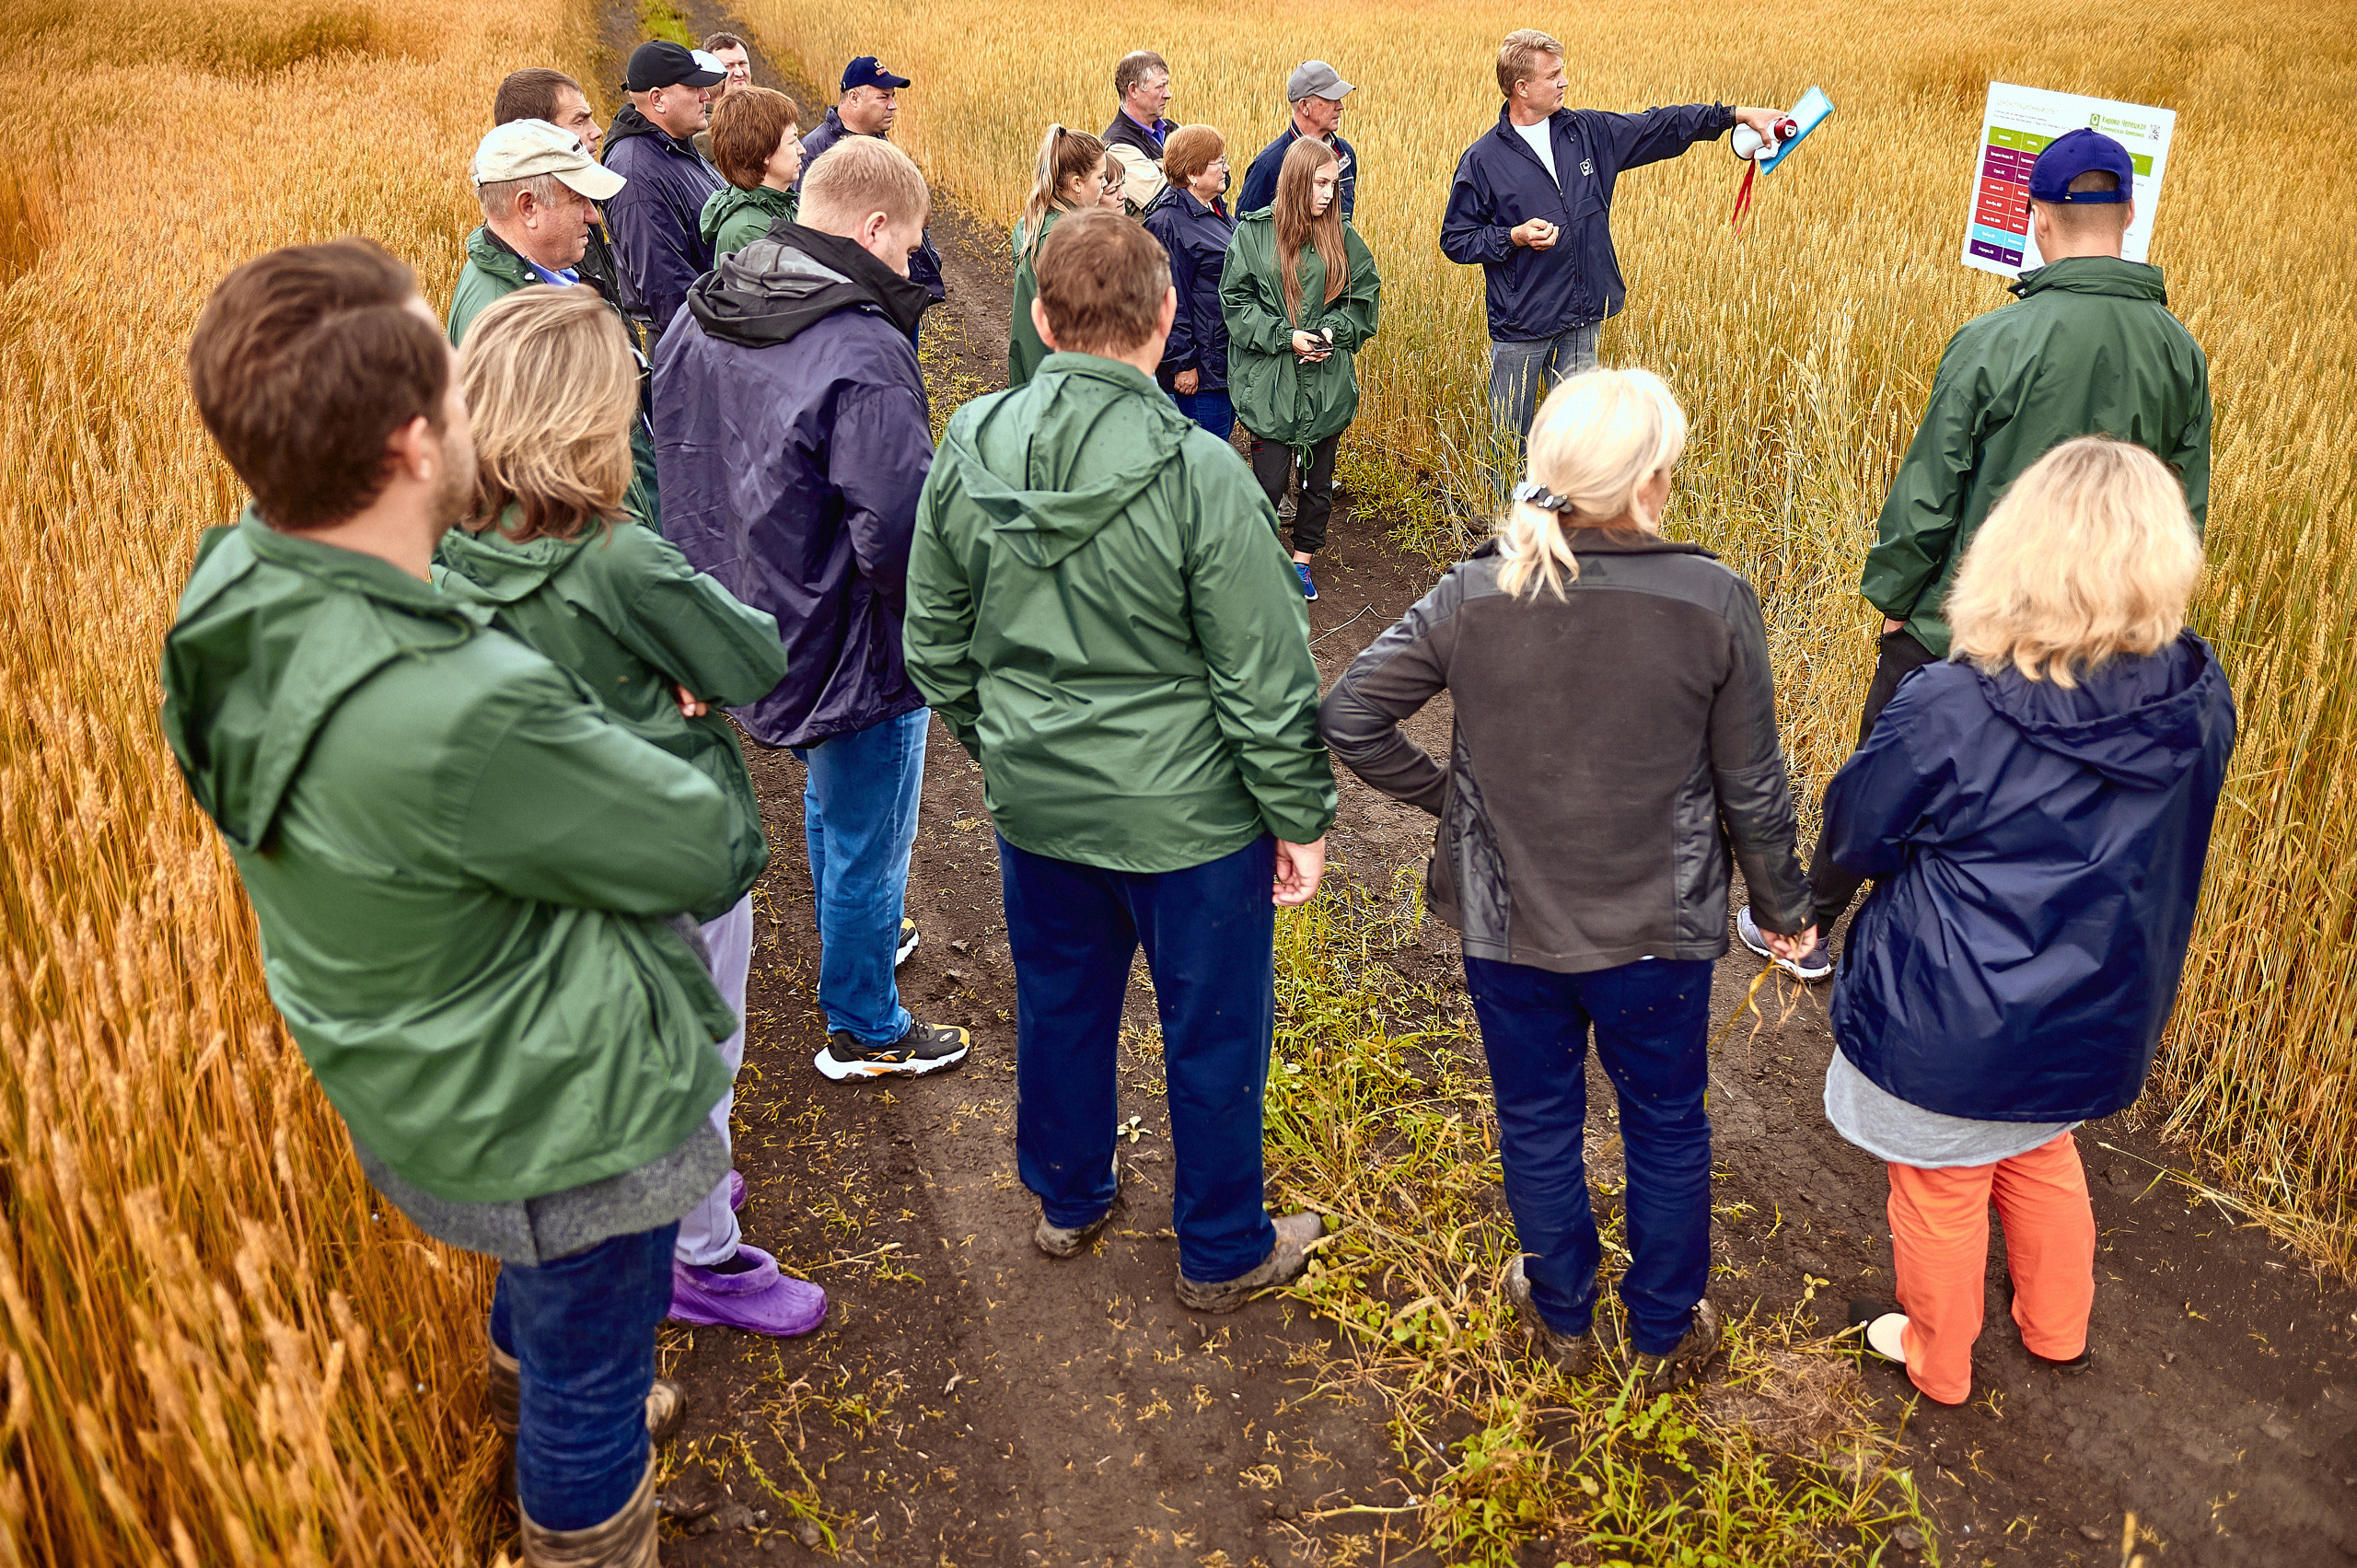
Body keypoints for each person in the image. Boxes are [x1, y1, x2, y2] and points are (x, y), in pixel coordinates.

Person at [166, 238, 742, 1562]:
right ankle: (584, 1514)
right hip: (557, 1096)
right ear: (421, 446)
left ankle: (512, 1385)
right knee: (598, 1366)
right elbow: (697, 842)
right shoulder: (460, 706)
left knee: (543, 1292)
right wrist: (637, 712)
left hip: (418, 1057)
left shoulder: (231, 588)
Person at [1318, 368, 1815, 1394]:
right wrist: (1784, 909)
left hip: (1509, 926)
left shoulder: (1476, 589)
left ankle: (1560, 1313)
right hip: (1657, 932)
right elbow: (1751, 783)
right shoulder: (1713, 598)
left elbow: (1350, 715)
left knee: (1537, 1116)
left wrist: (1456, 805)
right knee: (1666, 1121)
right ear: (1651, 480)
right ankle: (1665, 1328)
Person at [904, 209, 1337, 1312]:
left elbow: (933, 642)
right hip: (1188, 824)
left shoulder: (969, 444)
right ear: (1162, 321)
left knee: (1060, 1001)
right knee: (1214, 1024)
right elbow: (1263, 672)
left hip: (1039, 804)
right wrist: (1296, 814)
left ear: (1043, 319)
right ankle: (1222, 1244)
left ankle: (1068, 1194)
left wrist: (1003, 743)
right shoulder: (1201, 473)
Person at [435, 285, 823, 1341]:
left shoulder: (440, 556)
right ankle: (699, 1253)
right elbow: (748, 654)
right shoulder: (620, 559)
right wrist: (668, 673)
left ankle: (662, 1208)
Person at [1823, 436, 2234, 1408]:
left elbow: (1857, 831)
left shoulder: (1953, 703)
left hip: (1949, 1018)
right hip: (2097, 1006)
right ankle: (2056, 1327)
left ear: (2013, 549)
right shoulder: (2199, 698)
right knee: (2040, 1148)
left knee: (1937, 1182)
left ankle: (1938, 1356)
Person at [1756, 128, 2215, 981]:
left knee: (1887, 771)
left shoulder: (1993, 340)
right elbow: (2180, 516)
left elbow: (1931, 487)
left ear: (2036, 218)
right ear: (2129, 215)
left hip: (1963, 624)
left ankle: (1808, 926)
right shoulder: (2182, 354)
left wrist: (1897, 590)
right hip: (2105, 641)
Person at [654, 135, 968, 1082]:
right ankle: (864, 1026)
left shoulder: (711, 299)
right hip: (848, 634)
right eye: (911, 246)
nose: (912, 265)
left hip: (740, 607)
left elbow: (674, 445)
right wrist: (944, 633)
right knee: (871, 826)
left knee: (836, 801)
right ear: (874, 226)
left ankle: (856, 941)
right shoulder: (865, 346)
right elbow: (901, 529)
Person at [1440, 29, 1787, 443]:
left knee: (1577, 441)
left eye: (1562, 72)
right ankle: (1504, 509)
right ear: (1522, 87)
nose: (1564, 82)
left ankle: (1567, 510)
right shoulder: (1484, 159)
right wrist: (1512, 236)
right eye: (1553, 75)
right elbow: (1457, 239)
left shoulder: (1587, 132)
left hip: (1583, 316)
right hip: (1522, 325)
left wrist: (1734, 115)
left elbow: (1660, 125)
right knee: (1507, 440)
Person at [447, 118, 663, 535]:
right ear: (528, 207)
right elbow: (547, 500)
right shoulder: (514, 323)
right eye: (578, 199)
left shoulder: (545, 279)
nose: (593, 216)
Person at [1221, 137, 1380, 602]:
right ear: (1294, 183)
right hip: (1271, 383)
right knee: (1268, 481)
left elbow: (1362, 300)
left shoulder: (1343, 236)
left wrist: (1331, 332)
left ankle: (1302, 563)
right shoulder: (1253, 234)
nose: (1331, 194)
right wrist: (1284, 336)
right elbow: (1235, 302)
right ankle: (1254, 556)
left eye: (1335, 184)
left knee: (1317, 483)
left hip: (1326, 384)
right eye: (1321, 183)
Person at [805, 57, 946, 341]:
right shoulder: (815, 152)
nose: (893, 105)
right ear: (854, 98)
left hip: (897, 295)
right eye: (884, 97)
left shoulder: (879, 142)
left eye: (893, 97)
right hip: (854, 309)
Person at [602, 41, 726, 342]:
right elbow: (667, 291)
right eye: (692, 88)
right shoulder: (634, 171)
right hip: (693, 347)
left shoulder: (676, 146)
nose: (705, 96)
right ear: (658, 99)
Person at [492, 67, 627, 310]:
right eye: (579, 121)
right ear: (539, 135)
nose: (596, 131)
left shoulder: (571, 218)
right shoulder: (513, 300)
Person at [1141, 125, 1236, 440]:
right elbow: (1167, 298)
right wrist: (1182, 363)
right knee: (1203, 458)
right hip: (1200, 374)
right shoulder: (1167, 223)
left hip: (1222, 363)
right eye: (1218, 162)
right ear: (1193, 173)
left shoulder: (1216, 210)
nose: (1227, 168)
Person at [1007, 125, 1109, 389]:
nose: (1105, 186)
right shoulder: (1071, 240)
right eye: (1100, 178)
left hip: (1034, 367)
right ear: (1077, 183)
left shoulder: (1030, 225)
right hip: (1068, 380)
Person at [1238, 61, 1356, 219]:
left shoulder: (1345, 155)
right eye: (1331, 99)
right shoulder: (1269, 165)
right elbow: (1244, 232)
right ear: (1305, 105)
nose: (1340, 106)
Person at [702, 86, 803, 258]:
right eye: (792, 141)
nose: (802, 149)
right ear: (764, 154)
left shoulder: (781, 204)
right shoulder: (749, 232)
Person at [1102, 50, 1178, 214]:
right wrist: (1192, 171)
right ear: (1133, 90)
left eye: (1167, 85)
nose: (1168, 94)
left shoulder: (1173, 128)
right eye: (1160, 87)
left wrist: (1171, 171)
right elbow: (1164, 199)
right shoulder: (1117, 146)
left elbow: (1221, 178)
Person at [692, 31, 756, 162]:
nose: (739, 72)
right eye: (729, 66)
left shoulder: (760, 114)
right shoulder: (698, 126)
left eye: (743, 63)